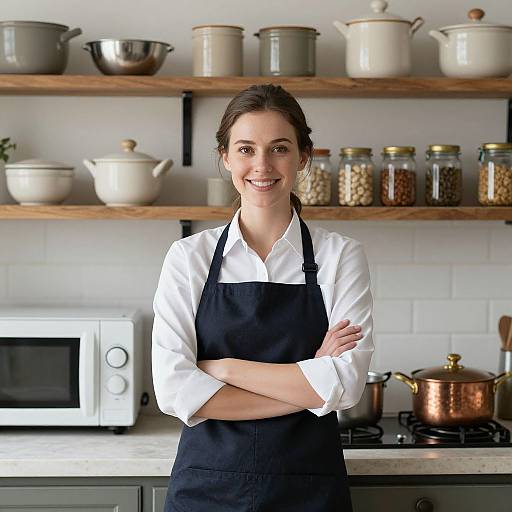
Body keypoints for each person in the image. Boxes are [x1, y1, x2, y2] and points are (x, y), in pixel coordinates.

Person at [152, 83, 374, 511]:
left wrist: (223, 368)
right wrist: (308, 383)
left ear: (303, 156)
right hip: (206, 490)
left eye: (279, 148)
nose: (262, 165)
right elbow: (174, 390)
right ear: (226, 157)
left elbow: (344, 386)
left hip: (310, 490)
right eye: (246, 149)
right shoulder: (189, 258)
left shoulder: (340, 256)